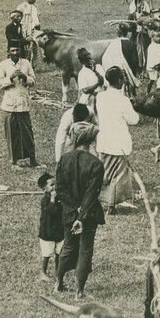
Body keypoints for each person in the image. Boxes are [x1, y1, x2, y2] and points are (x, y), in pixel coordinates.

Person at [53, 121, 105, 296]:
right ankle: (79, 290)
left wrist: (73, 210)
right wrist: (81, 216)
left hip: (68, 212)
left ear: (74, 139)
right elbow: (91, 194)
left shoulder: (64, 160)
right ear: (90, 140)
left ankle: (58, 283)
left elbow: (60, 189)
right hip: (88, 214)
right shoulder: (96, 164)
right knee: (85, 249)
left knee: (68, 246)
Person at [94, 66, 140, 212]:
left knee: (105, 173)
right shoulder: (123, 100)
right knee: (118, 175)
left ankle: (102, 201)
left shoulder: (100, 97)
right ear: (120, 80)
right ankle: (112, 205)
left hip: (104, 140)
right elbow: (134, 120)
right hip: (118, 142)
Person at [0, 40, 36, 167]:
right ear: (8, 52)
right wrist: (11, 78)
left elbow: (33, 80)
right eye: (12, 50)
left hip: (23, 103)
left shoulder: (26, 63)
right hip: (9, 105)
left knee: (28, 132)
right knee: (12, 133)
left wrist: (25, 77)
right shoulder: (3, 65)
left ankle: (33, 159)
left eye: (17, 50)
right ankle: (13, 161)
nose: (15, 53)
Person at [35, 169, 62, 279]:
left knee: (59, 252)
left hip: (59, 230)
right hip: (48, 231)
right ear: (44, 189)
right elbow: (51, 211)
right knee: (47, 253)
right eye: (51, 185)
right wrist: (52, 199)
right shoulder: (45, 200)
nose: (54, 187)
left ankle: (57, 271)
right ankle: (43, 272)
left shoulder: (58, 198)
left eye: (55, 184)